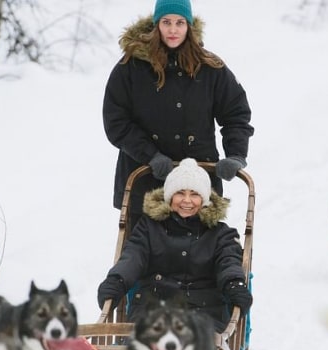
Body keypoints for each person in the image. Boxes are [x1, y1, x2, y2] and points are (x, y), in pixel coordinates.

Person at [102, 0, 254, 230]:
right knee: (142, 254)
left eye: (180, 22)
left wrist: (235, 155)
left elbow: (236, 114)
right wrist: (150, 155)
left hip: (198, 184)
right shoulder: (130, 68)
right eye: (166, 22)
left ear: (189, 26)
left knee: (203, 256)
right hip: (146, 182)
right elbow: (116, 121)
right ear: (156, 25)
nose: (173, 30)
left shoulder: (211, 67)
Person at [96, 158, 252, 332]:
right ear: (169, 197)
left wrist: (233, 283)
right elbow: (133, 256)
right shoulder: (149, 227)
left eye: (194, 194)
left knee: (196, 345)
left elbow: (228, 261)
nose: (187, 200)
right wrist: (117, 279)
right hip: (153, 307)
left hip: (204, 312)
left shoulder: (220, 234)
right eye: (180, 193)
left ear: (205, 199)